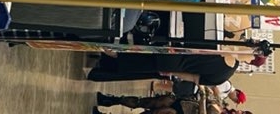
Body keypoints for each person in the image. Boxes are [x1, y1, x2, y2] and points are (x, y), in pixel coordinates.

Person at [87, 51, 242, 87]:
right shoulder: (221, 77)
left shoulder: (225, 49)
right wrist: (172, 72)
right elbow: (194, 78)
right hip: (172, 64)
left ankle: (99, 48)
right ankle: (102, 60)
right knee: (133, 61)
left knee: (132, 51)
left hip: (174, 49)